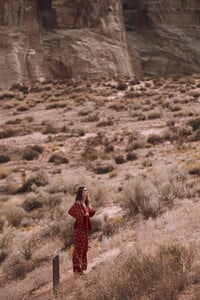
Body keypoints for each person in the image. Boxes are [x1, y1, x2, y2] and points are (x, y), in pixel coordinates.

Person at [68, 186, 96, 275]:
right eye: (85, 190)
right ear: (81, 193)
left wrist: (90, 211)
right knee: (78, 248)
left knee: (84, 248)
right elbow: (71, 211)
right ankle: (77, 269)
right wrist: (81, 216)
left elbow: (88, 214)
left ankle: (82, 268)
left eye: (87, 190)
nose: (87, 191)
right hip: (79, 229)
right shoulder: (78, 203)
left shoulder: (85, 204)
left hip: (84, 229)